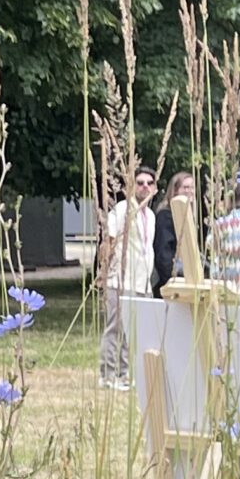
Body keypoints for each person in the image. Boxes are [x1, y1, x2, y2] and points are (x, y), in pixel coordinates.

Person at [98, 163, 156, 387]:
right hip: (120, 279)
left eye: (149, 183)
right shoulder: (122, 209)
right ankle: (108, 374)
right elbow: (109, 240)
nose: (144, 187)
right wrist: (105, 271)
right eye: (140, 183)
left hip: (142, 282)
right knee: (115, 328)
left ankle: (124, 373)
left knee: (132, 332)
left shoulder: (150, 215)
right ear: (131, 186)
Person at [153, 170, 196, 293]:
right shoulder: (166, 216)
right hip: (171, 283)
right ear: (175, 190)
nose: (189, 191)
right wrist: (172, 281)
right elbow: (163, 253)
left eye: (192, 187)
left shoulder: (188, 216)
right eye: (185, 187)